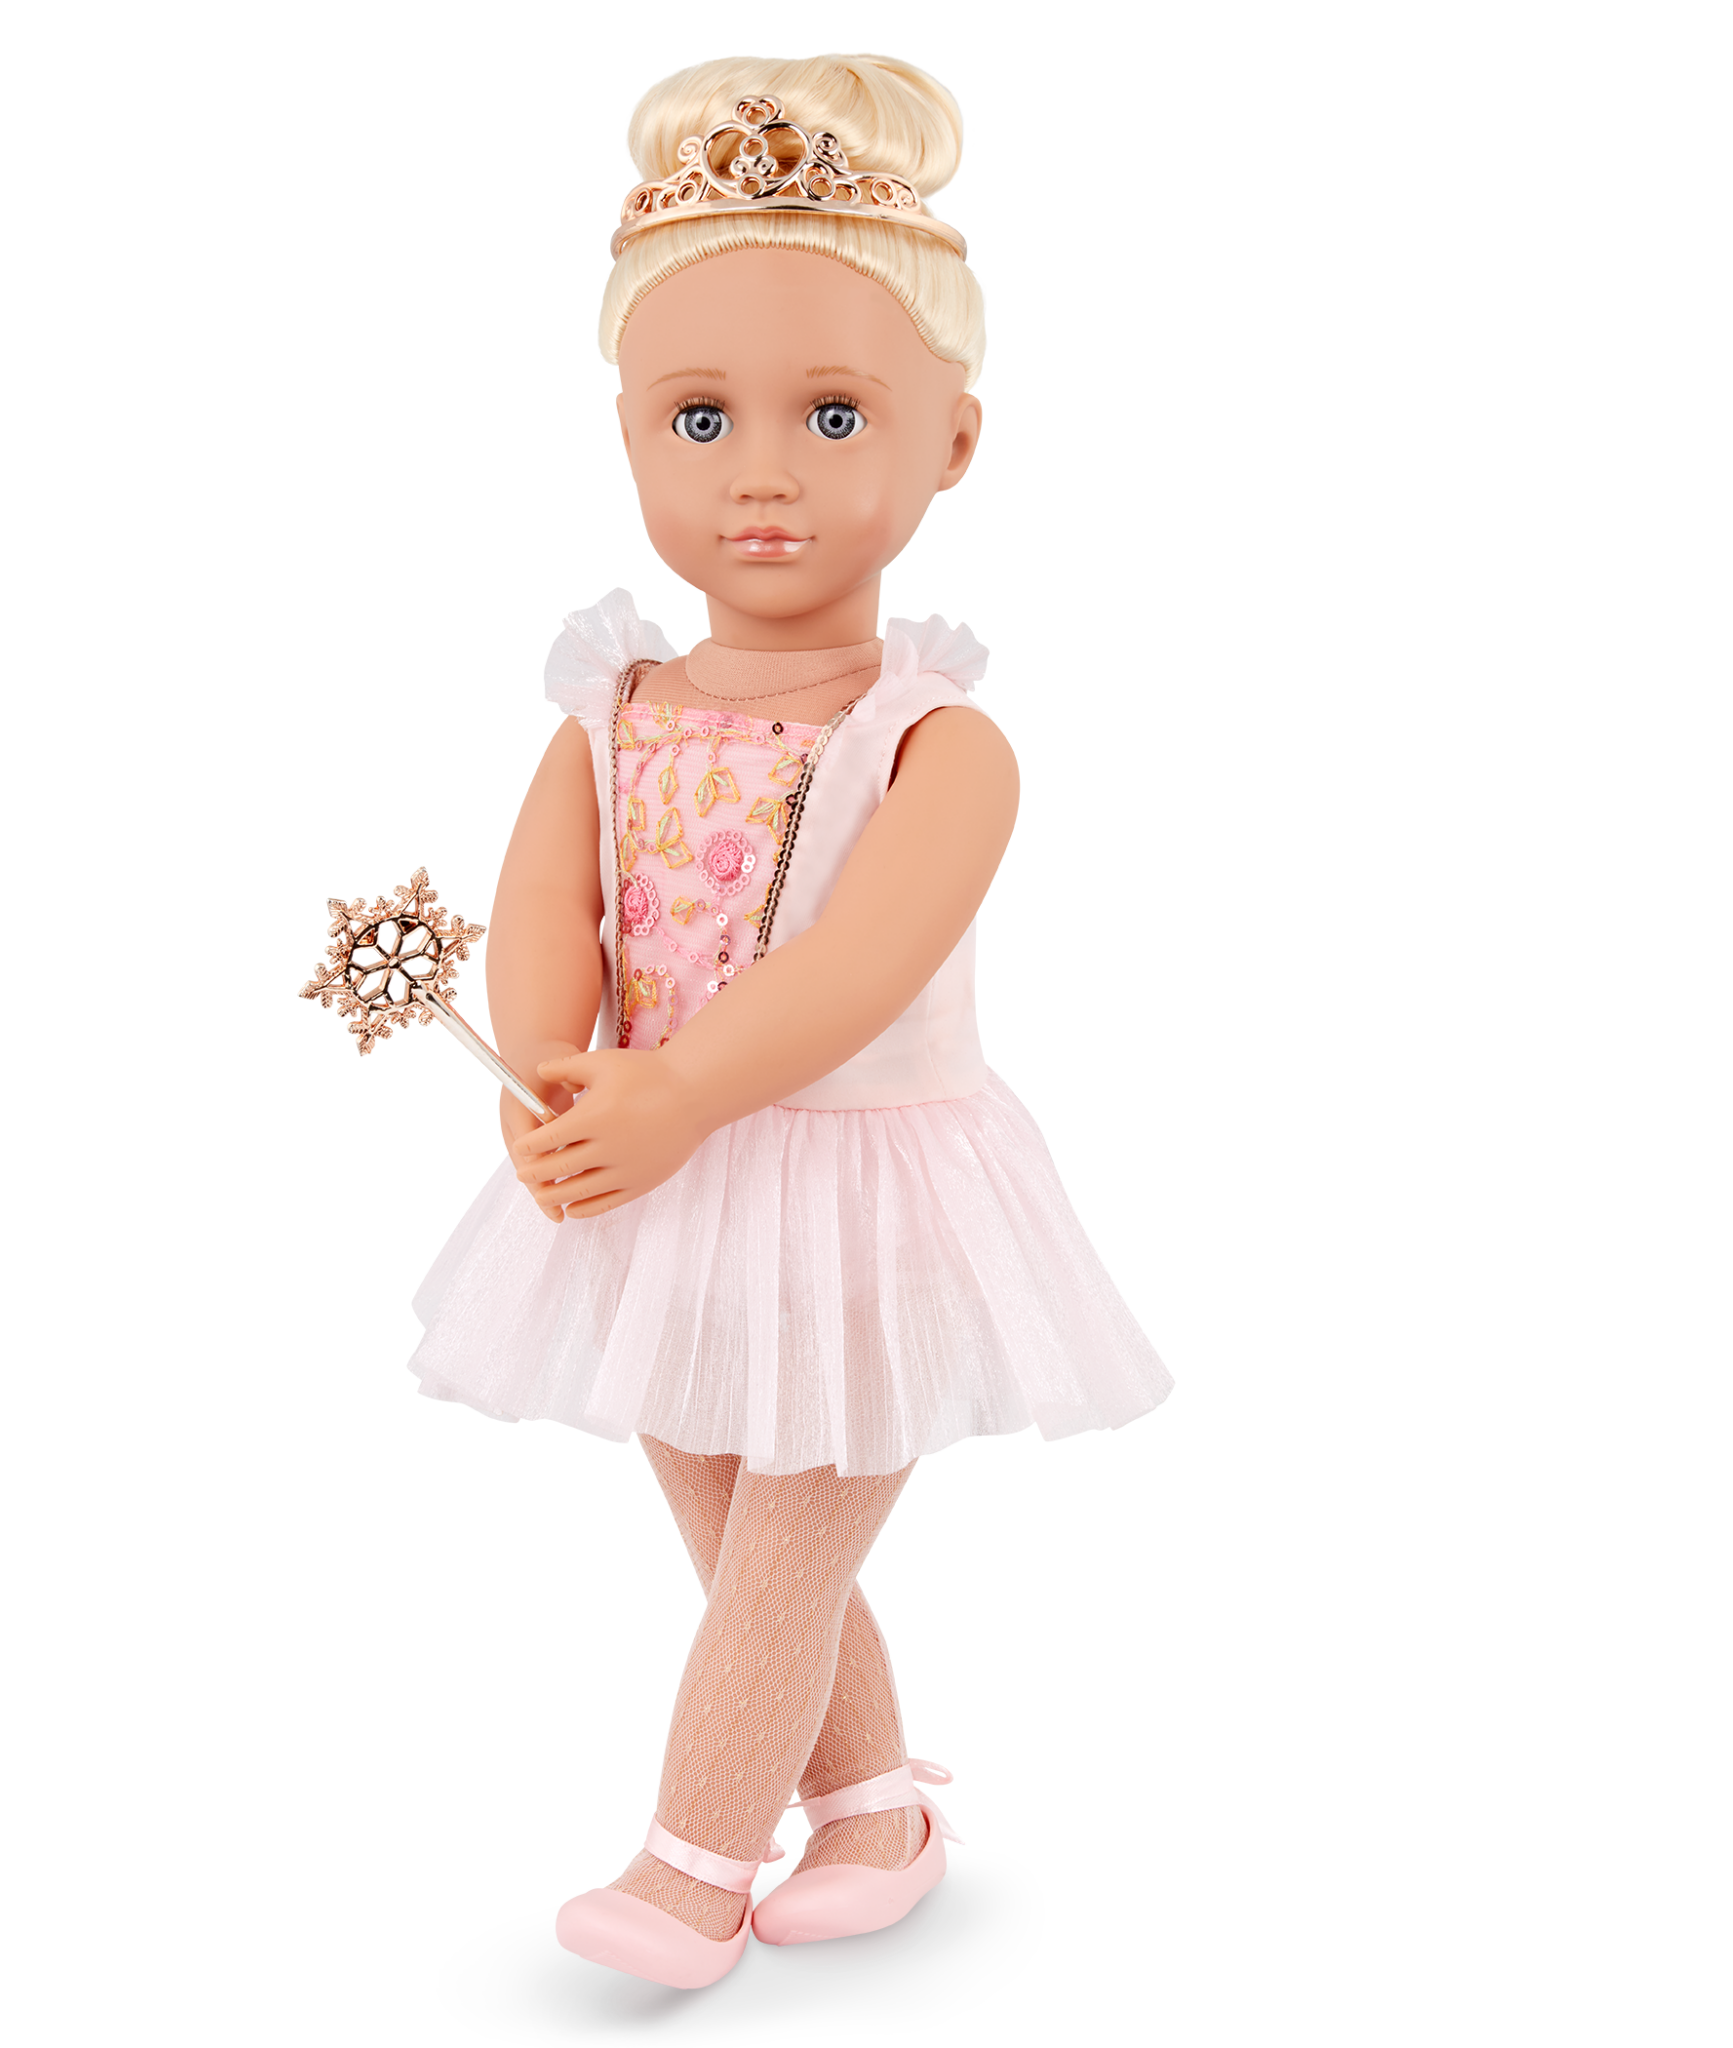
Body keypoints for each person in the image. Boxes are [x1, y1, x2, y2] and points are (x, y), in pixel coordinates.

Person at [405, 51, 1174, 1990]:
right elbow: (546, 910)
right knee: (732, 1523)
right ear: (628, 434)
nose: (763, 472)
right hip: (655, 1170)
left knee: (781, 1552)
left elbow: (861, 970)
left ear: (952, 440)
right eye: (700, 417)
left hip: (862, 1183)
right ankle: (876, 1812)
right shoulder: (609, 705)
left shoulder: (938, 737)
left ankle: (685, 1869)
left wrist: (679, 1089)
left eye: (835, 415)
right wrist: (548, 1070)